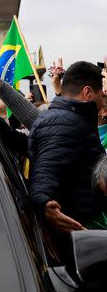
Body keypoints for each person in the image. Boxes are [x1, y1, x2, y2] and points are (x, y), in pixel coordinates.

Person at [28, 61, 106, 233]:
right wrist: (44, 201)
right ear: (87, 92)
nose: (103, 100)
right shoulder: (66, 123)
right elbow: (47, 167)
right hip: (79, 231)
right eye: (102, 94)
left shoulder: (64, 118)